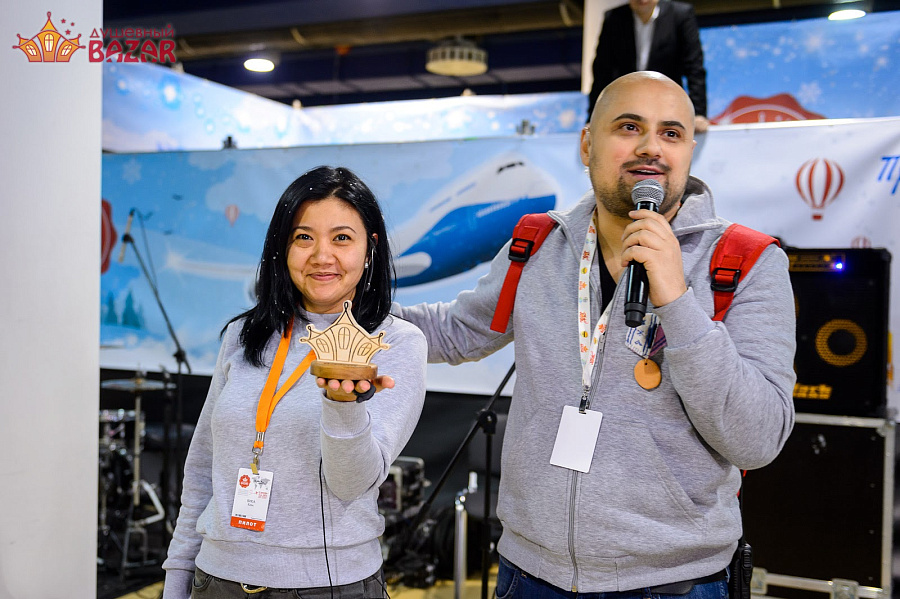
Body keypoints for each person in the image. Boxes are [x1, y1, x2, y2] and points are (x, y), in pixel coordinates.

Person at [394, 72, 795, 596]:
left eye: (671, 133)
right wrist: (346, 314)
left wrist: (677, 301)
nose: (651, 147)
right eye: (629, 127)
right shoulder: (538, 244)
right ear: (587, 144)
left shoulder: (747, 262)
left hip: (672, 583)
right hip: (528, 573)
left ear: (689, 151)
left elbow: (758, 439)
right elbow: (455, 332)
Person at [162, 166, 427, 599]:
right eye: (304, 237)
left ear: (370, 249)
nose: (322, 255)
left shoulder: (394, 342)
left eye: (342, 238)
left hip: (329, 586)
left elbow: (352, 483)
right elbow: (202, 470)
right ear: (281, 248)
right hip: (216, 579)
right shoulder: (244, 334)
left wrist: (343, 406)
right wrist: (177, 577)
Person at [588, 0, 710, 133]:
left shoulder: (680, 15)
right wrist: (594, 117)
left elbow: (694, 68)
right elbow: (602, 72)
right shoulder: (614, 18)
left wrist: (698, 113)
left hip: (667, 104)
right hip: (627, 105)